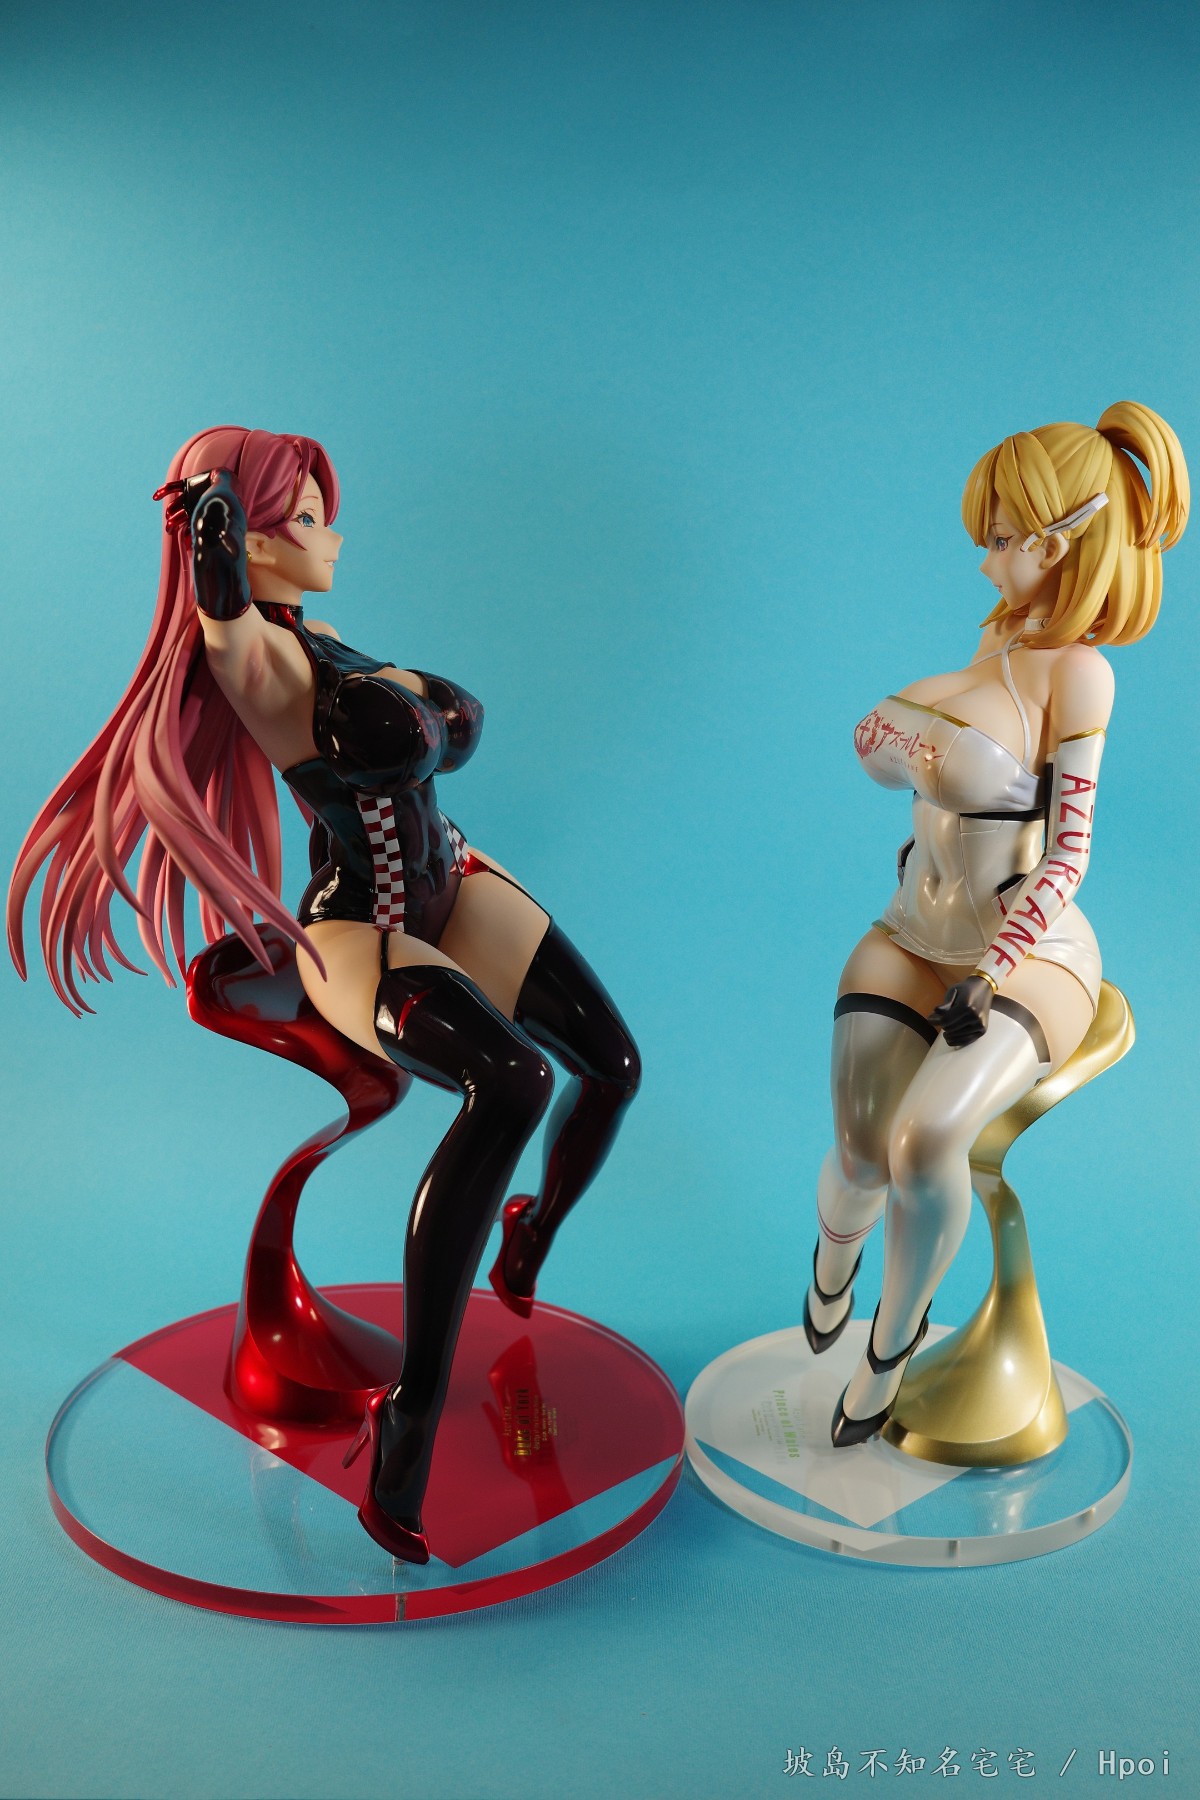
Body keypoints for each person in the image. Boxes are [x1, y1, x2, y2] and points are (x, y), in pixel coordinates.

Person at [7, 426, 640, 1560]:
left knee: (615, 1067)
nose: (332, 533)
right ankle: (411, 1415)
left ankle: (532, 1230)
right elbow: (220, 609)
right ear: (250, 540)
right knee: (510, 1083)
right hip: (363, 927)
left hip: (458, 881)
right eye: (304, 517)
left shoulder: (330, 641)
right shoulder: (255, 658)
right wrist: (208, 516)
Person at [801, 403, 1187, 1447]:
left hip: (1027, 953)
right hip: (913, 929)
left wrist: (996, 967)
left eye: (1004, 538)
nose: (985, 561)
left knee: (925, 1140)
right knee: (859, 1147)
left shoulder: (1082, 674)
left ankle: (890, 1345)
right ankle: (833, 1264)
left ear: (1058, 545)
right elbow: (917, 767)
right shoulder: (999, 635)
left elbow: (1070, 852)